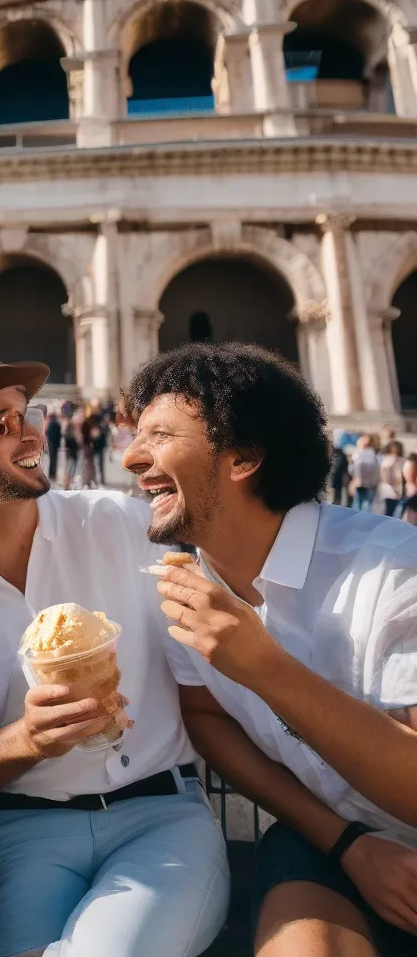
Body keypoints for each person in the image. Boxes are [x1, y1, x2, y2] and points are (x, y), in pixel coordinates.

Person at [0, 337, 229, 957]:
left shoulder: (121, 525)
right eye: (2, 425)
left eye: (29, 415)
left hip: (161, 816)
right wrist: (27, 739)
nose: (30, 437)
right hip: (24, 830)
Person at [122, 341, 417, 957]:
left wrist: (264, 668)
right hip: (326, 839)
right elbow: (205, 718)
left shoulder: (396, 569)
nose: (129, 456)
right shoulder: (186, 586)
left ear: (244, 457)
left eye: (159, 434)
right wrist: (347, 843)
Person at [350, 435, 381, 512]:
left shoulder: (358, 454)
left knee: (358, 506)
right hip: (371, 484)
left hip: (360, 484)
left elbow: (352, 470)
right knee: (367, 506)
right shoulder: (374, 454)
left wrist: (354, 481)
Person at [381, 440, 406, 517]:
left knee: (390, 513)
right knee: (393, 513)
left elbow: (385, 476)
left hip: (391, 490)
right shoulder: (400, 460)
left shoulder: (388, 460)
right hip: (393, 490)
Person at [44, 410, 62, 483]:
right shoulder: (57, 424)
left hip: (51, 443)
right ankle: (53, 474)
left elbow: (47, 433)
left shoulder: (51, 424)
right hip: (56, 444)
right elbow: (59, 435)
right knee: (54, 459)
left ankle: (51, 474)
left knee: (51, 459)